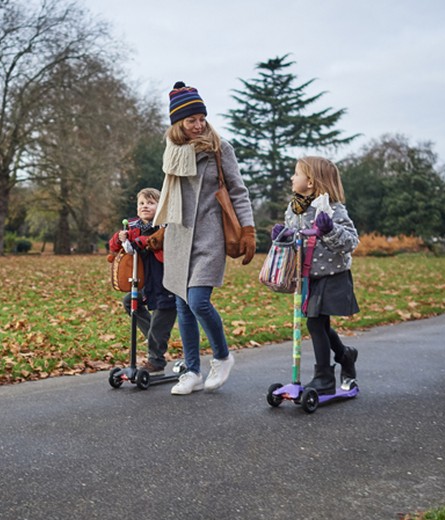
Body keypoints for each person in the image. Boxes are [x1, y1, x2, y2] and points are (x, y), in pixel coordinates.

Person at [152, 81, 255, 395]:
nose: (198, 125)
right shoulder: (173, 153)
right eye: (191, 120)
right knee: (182, 306)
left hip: (211, 235)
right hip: (179, 235)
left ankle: (222, 357)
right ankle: (192, 370)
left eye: (202, 118)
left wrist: (249, 230)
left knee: (198, 301)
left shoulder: (220, 149)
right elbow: (170, 195)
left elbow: (238, 190)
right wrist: (161, 228)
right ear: (179, 124)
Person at [272, 156, 360, 394]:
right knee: (319, 322)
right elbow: (294, 239)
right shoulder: (294, 209)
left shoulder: (332, 209)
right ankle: (345, 355)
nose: (292, 177)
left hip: (332, 276)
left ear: (310, 181)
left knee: (315, 322)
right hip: (307, 278)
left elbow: (351, 242)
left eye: (296, 173)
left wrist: (329, 229)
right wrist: (283, 236)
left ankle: (324, 377)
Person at [108, 188, 177, 374]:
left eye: (151, 203)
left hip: (166, 284)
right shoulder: (133, 227)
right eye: (141, 203)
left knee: (162, 315)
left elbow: (160, 244)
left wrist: (143, 241)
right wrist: (119, 238)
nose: (145, 206)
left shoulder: (165, 227)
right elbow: (115, 247)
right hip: (147, 284)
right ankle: (154, 338)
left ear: (160, 206)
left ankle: (156, 360)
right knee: (130, 301)